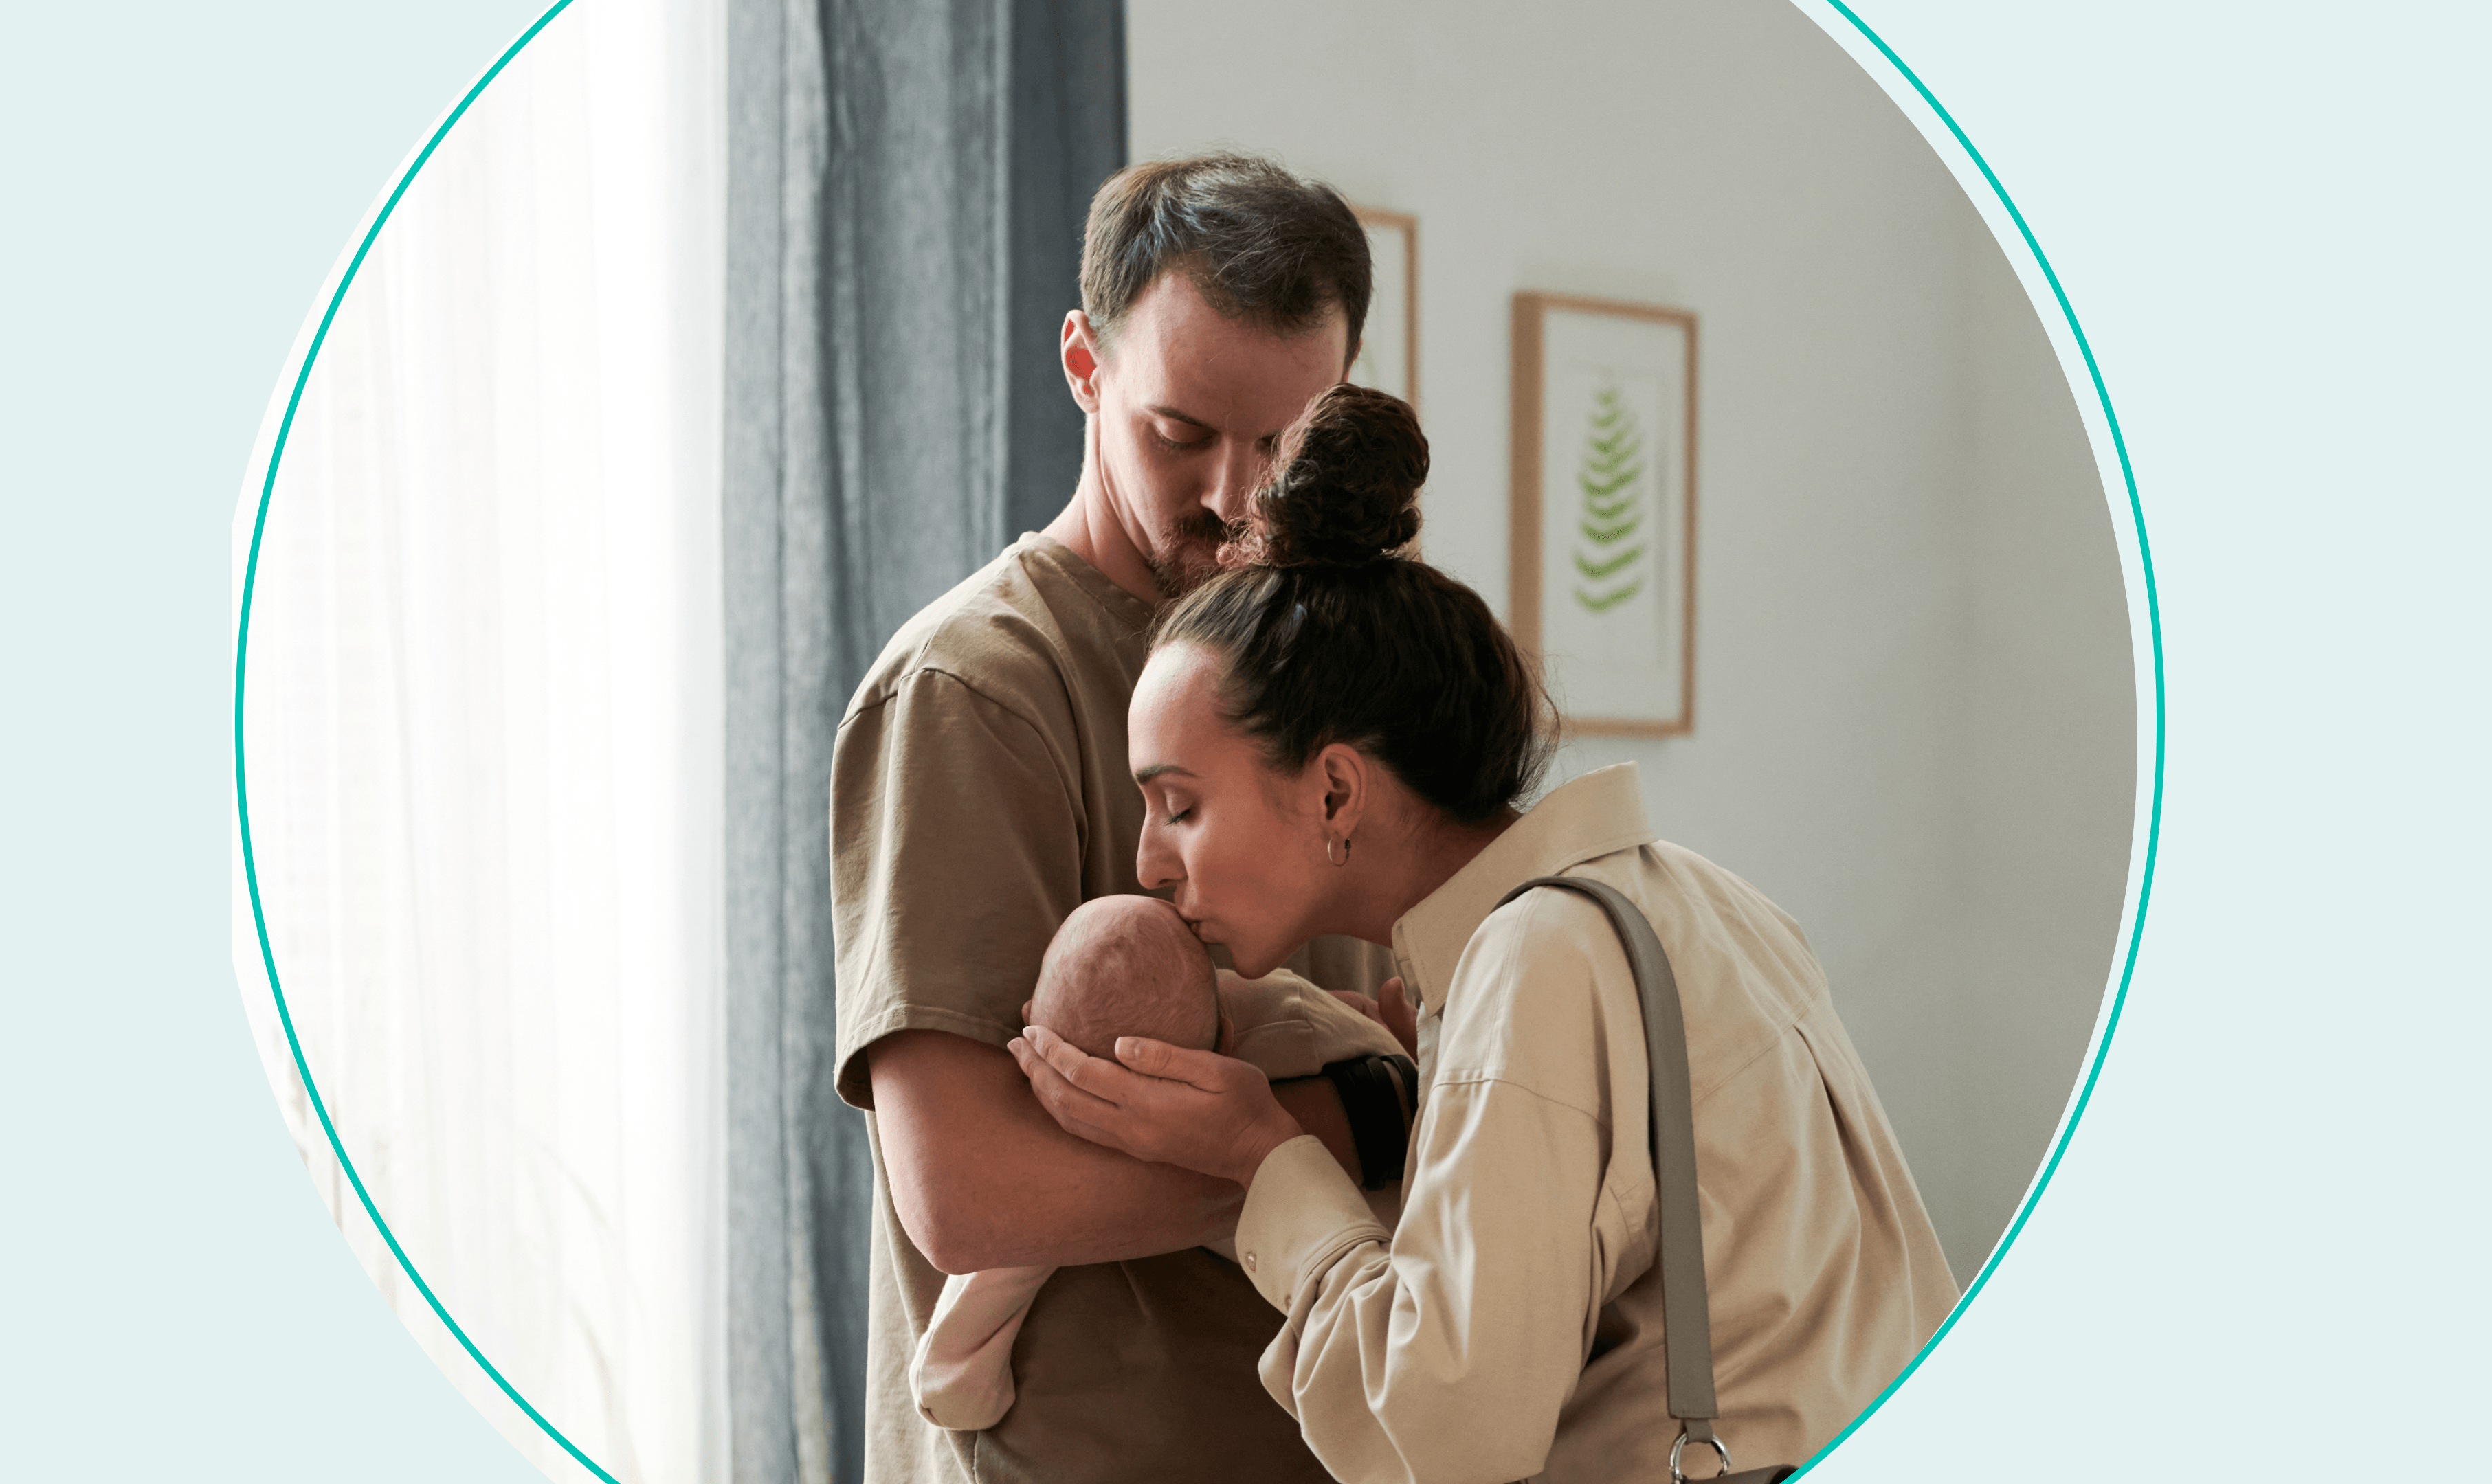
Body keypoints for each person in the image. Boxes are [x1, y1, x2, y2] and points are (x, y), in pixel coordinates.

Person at [1010, 385, 1960, 1483]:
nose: (1148, 862)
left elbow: (1446, 1435)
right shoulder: (1693, 898)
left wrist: (1262, 1158)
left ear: (1333, 794)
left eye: (1179, 804)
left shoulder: (1537, 965)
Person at [828, 153, 1411, 1484]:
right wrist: (1353, 1130)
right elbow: (964, 1189)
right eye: (1181, 433)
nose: (1236, 495)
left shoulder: (1345, 673)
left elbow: (1421, 1044)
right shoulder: (974, 692)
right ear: (1085, 366)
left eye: (1282, 443)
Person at [907, 895, 1403, 1434]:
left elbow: (951, 1376)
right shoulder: (1280, 1011)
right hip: (1397, 1237)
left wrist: (957, 1394)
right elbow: (1386, 1059)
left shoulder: (1065, 1195)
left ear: (1033, 1029)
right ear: (1229, 1036)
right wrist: (1381, 1024)